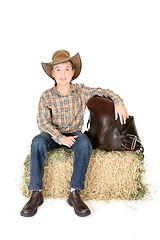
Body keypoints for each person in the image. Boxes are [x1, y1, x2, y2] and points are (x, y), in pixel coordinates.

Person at [20, 50, 129, 217]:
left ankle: (75, 192)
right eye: (58, 70)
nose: (63, 74)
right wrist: (60, 138)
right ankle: (36, 193)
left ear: (73, 72)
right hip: (53, 135)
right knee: (37, 142)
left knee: (85, 143)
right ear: (52, 73)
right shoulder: (46, 96)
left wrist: (118, 101)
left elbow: (102, 91)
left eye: (66, 69)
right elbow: (43, 123)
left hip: (74, 134)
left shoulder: (81, 91)